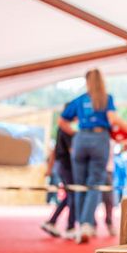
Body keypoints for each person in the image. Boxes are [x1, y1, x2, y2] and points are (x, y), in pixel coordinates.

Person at [59, 69, 127, 244]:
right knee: (94, 184)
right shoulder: (106, 98)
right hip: (100, 139)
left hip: (81, 139)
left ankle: (80, 225)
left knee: (79, 185)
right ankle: (85, 224)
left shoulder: (80, 99)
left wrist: (76, 133)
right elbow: (112, 118)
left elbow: (62, 121)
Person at [41, 102, 76, 238]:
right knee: (72, 194)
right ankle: (70, 227)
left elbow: (54, 150)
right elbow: (71, 151)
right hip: (67, 166)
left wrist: (50, 168)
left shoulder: (61, 129)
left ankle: (53, 221)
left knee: (70, 195)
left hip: (62, 166)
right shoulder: (67, 129)